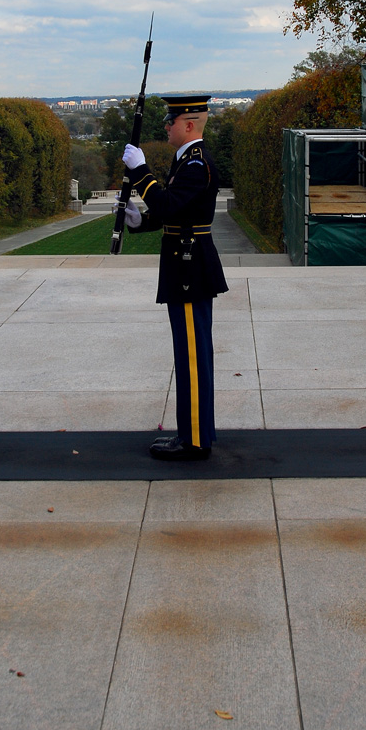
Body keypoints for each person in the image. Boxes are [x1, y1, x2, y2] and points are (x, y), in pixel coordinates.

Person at [118, 93, 227, 460]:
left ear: (190, 125)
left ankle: (195, 440)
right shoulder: (186, 162)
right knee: (189, 354)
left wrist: (140, 171)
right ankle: (195, 432)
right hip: (186, 265)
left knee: (192, 356)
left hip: (190, 268)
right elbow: (176, 212)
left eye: (172, 120)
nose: (166, 125)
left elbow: (166, 203)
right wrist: (141, 220)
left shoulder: (196, 164)